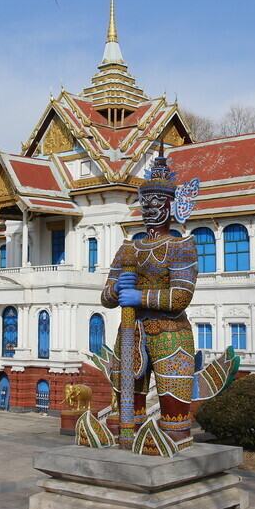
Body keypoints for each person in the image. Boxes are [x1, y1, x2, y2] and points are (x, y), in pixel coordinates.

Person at [100, 155, 200, 449]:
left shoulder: (181, 246)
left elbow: (181, 296)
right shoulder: (128, 249)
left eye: (156, 201)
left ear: (172, 205)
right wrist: (117, 289)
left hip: (170, 334)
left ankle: (174, 437)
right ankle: (128, 434)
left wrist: (139, 296)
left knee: (174, 415)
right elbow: (105, 298)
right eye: (144, 202)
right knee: (128, 408)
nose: (148, 208)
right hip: (131, 333)